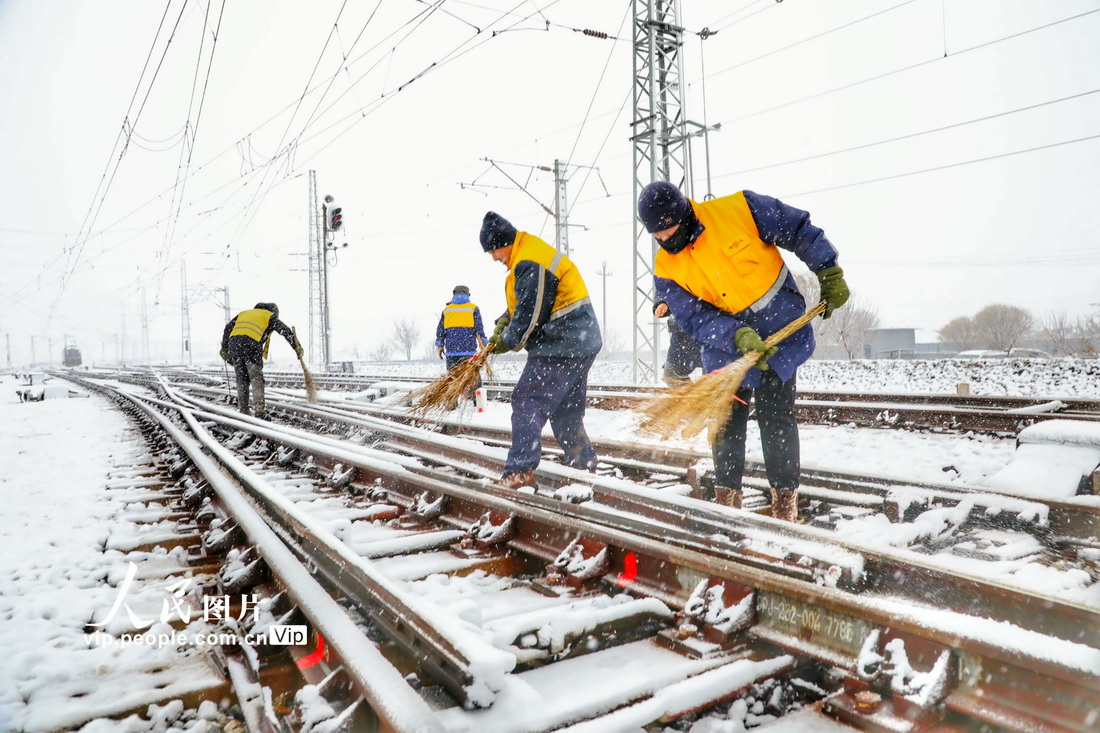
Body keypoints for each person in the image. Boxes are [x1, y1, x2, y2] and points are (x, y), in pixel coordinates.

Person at [636, 182, 850, 521]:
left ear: (684, 214)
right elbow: (693, 317)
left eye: (668, 231)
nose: (664, 241)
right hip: (727, 352)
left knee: (777, 420)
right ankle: (728, 503)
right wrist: (735, 335)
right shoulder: (666, 269)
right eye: (656, 236)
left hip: (780, 338)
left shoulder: (739, 210)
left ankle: (784, 505)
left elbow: (796, 228)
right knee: (726, 426)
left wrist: (827, 269)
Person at [480, 211, 603, 489]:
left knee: (527, 402)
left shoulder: (529, 261)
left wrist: (506, 340)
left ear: (502, 243)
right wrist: (504, 320)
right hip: (580, 342)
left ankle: (519, 472)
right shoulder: (530, 253)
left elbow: (531, 315)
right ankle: (584, 467)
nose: (495, 258)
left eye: (493, 251)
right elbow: (527, 301)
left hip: (561, 343)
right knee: (565, 410)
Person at [220, 302, 303, 419]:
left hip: (235, 345)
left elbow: (228, 327)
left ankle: (243, 409)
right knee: (256, 378)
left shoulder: (244, 314)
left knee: (242, 378)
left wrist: (224, 347)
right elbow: (286, 331)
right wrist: (297, 347)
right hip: (251, 346)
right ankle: (259, 411)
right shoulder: (269, 316)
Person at [435, 285, 488, 398]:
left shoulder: (446, 310)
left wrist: (440, 345)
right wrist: (483, 344)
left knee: (452, 379)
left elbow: (440, 330)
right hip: (469, 351)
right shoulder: (473, 308)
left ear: (454, 294)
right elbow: (479, 329)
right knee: (474, 377)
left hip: (451, 352)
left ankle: (451, 403)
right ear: (468, 295)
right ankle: (477, 401)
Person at [653, 299, 702, 386]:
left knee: (715, 375)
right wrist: (663, 302)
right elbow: (664, 287)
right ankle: (694, 398)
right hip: (681, 334)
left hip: (711, 329)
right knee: (671, 374)